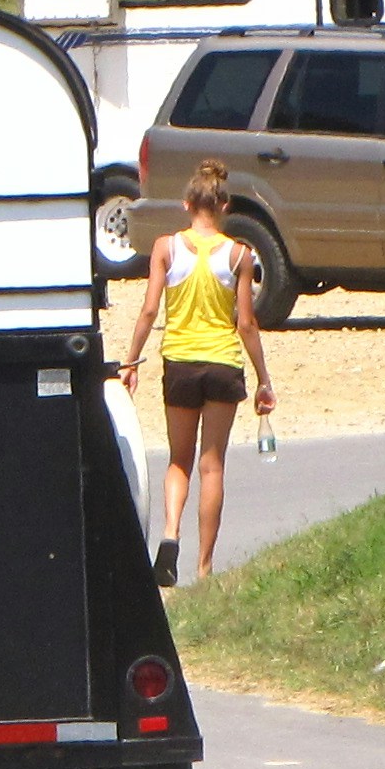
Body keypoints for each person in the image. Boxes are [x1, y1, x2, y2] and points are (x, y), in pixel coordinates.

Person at [117, 159, 275, 587]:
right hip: (223, 363)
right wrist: (263, 378)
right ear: (223, 205)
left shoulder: (167, 248)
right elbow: (246, 323)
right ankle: (204, 570)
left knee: (179, 461)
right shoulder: (240, 254)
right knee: (213, 466)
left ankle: (170, 536)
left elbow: (150, 309)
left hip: (180, 362)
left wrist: (130, 361)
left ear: (188, 204)